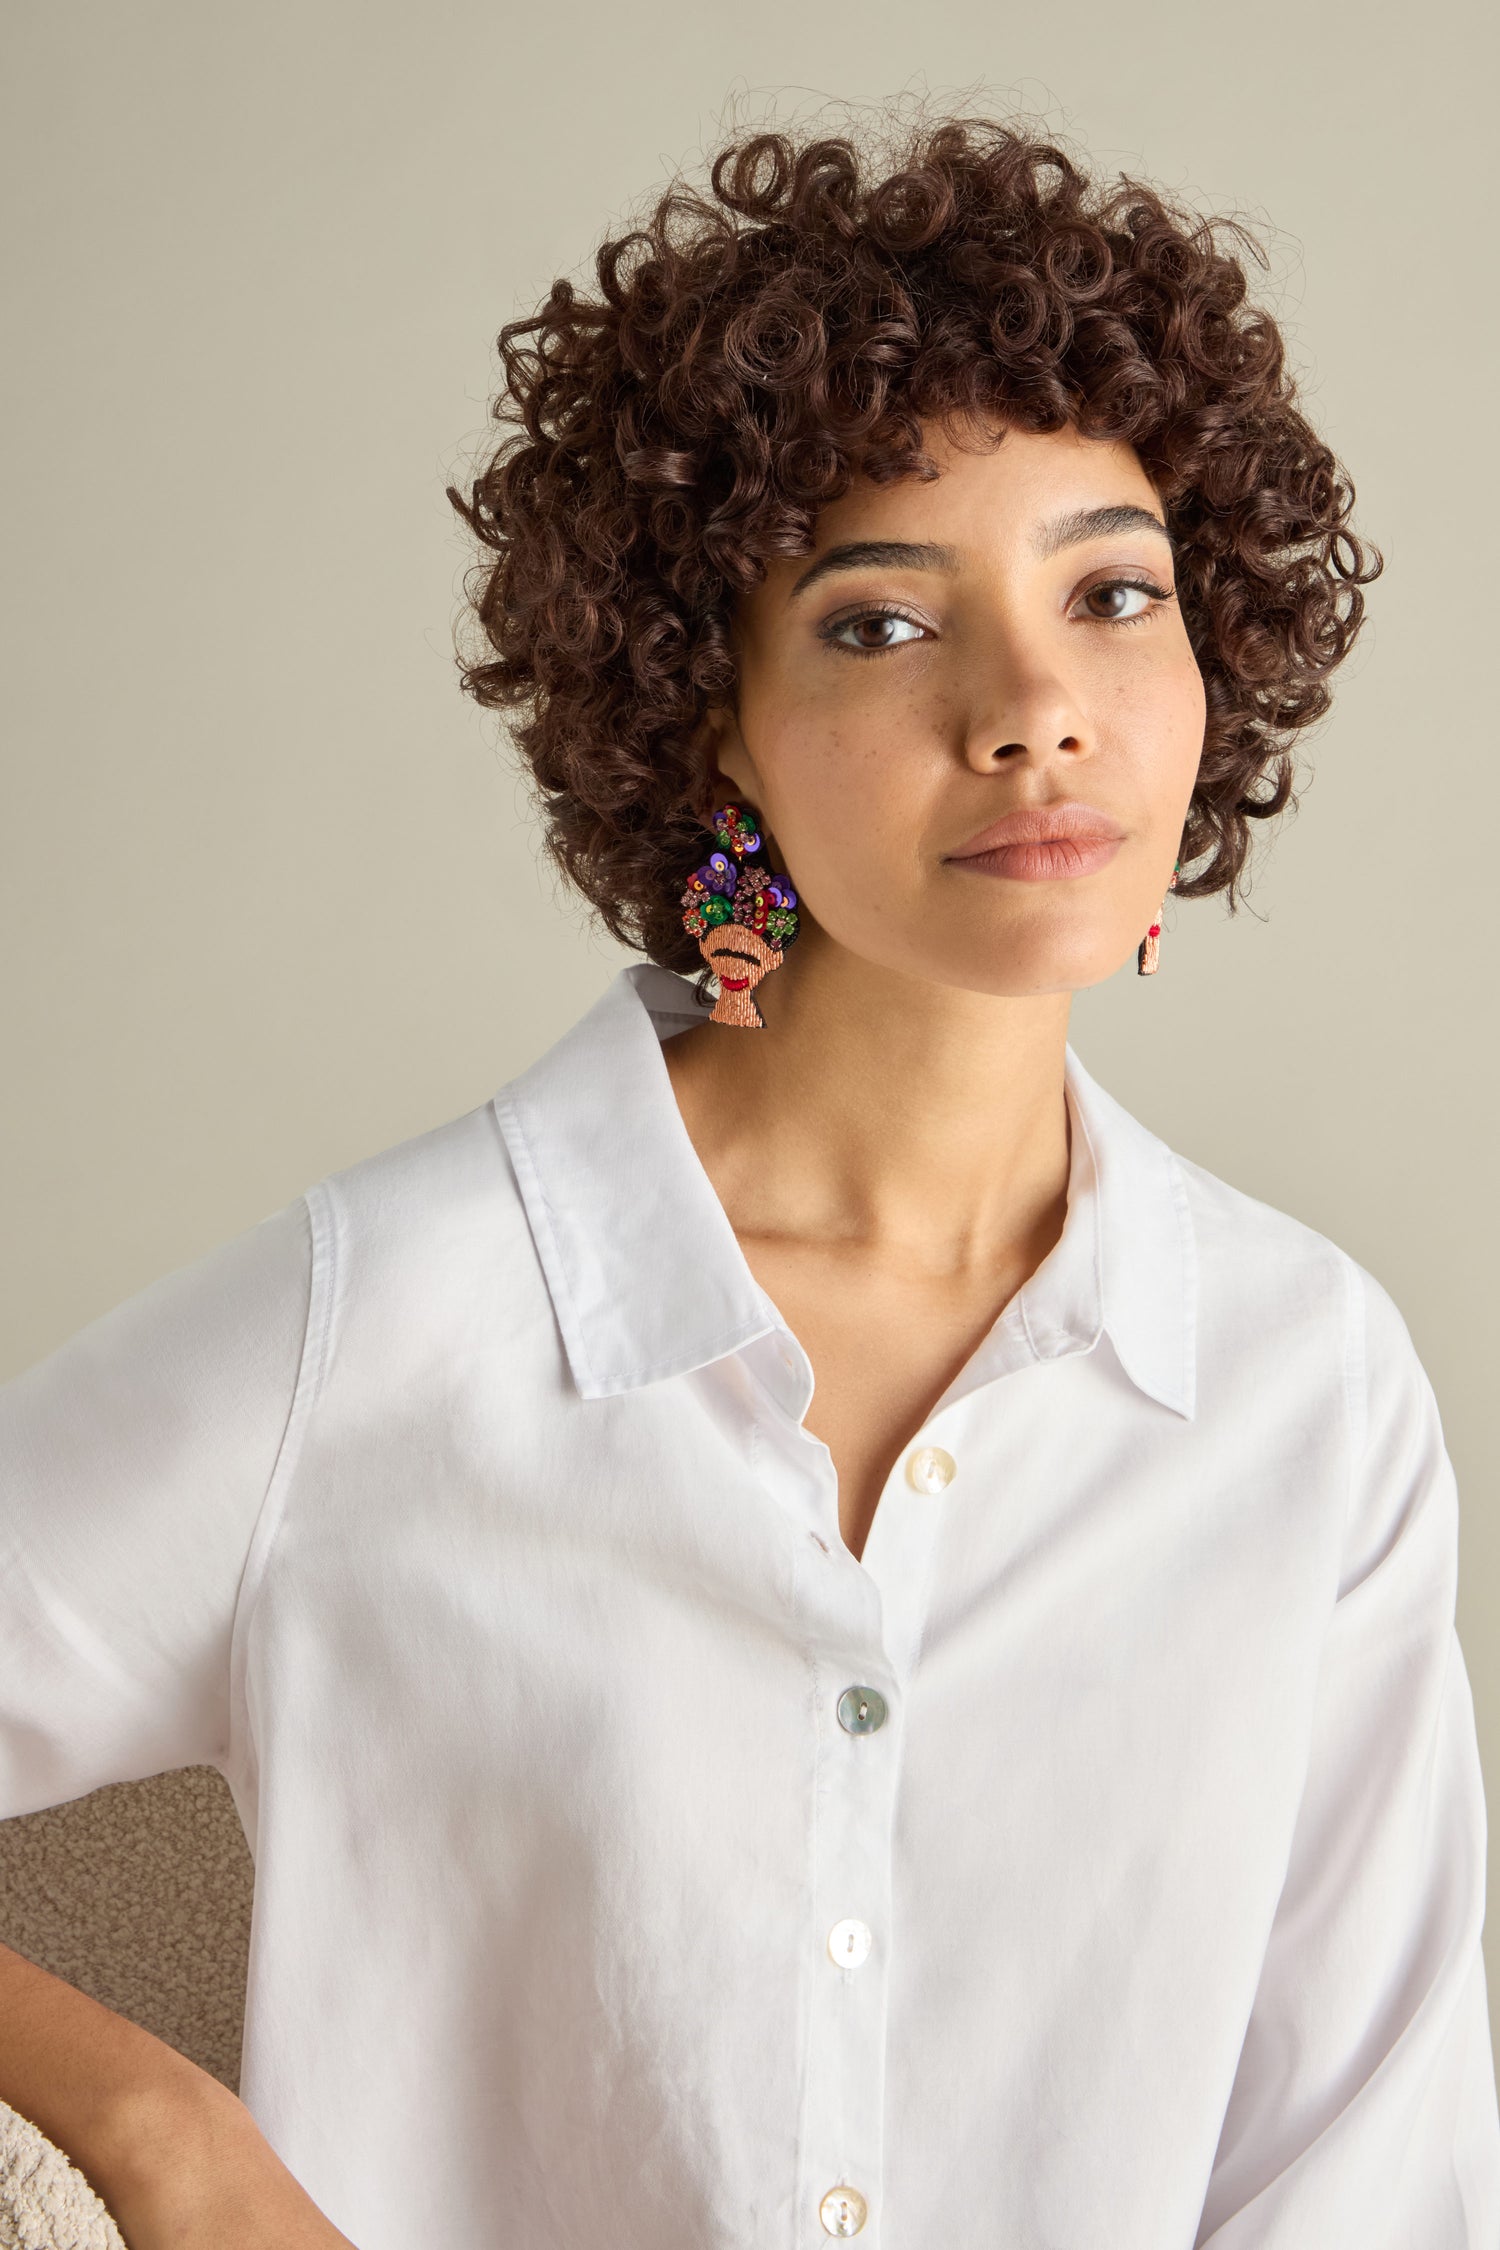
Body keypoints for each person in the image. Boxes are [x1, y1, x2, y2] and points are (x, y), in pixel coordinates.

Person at [1, 111, 1496, 2250]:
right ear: (712, 717)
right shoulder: (396, 1321)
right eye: (887, 626)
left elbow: (1367, 2170)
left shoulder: (1302, 1384)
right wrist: (163, 2133)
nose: (1035, 708)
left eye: (1114, 592)